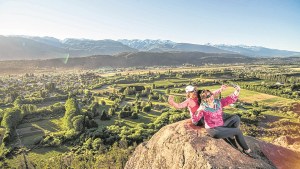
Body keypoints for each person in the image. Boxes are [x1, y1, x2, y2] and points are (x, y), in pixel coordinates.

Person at [194, 85, 254, 156]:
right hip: (214, 129)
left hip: (221, 124)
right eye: (207, 96)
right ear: (204, 99)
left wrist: (237, 91)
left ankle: (231, 136)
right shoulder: (203, 107)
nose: (210, 97)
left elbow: (229, 99)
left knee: (236, 117)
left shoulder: (217, 102)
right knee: (237, 131)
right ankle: (246, 150)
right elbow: (195, 119)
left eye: (210, 95)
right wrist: (198, 110)